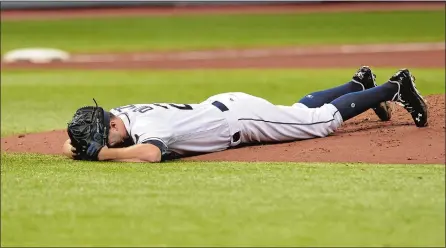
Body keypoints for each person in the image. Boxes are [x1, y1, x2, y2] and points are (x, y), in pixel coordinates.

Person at [62, 67, 428, 163]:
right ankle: (357, 84)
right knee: (298, 110)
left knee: (317, 123)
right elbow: (70, 144)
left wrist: (102, 153)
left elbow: (150, 154)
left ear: (111, 124)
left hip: (240, 121)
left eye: (100, 137)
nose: (98, 145)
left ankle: (395, 88)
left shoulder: (147, 128)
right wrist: (87, 147)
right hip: (227, 107)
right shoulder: (121, 115)